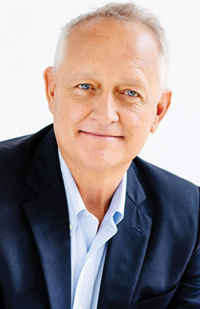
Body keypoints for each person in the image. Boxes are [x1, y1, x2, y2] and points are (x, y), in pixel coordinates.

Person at [0, 2, 199, 308]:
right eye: (85, 86)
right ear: (52, 91)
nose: (105, 114)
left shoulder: (190, 218)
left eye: (130, 93)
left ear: (159, 110)